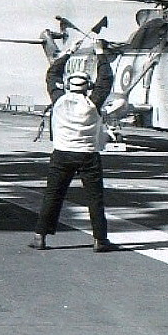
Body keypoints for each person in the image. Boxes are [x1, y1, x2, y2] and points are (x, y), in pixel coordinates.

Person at [29, 61, 117, 253]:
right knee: (95, 199)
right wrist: (101, 54)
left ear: (68, 85)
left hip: (61, 154)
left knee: (53, 196)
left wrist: (66, 54)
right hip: (88, 155)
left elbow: (52, 74)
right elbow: (106, 80)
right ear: (88, 87)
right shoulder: (93, 102)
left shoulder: (58, 99)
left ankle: (40, 237)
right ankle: (100, 240)